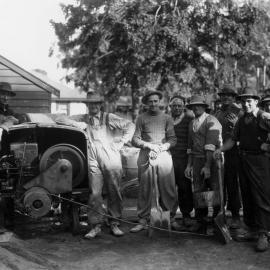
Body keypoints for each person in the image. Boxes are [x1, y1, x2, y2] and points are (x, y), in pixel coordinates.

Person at [56, 91, 135, 238]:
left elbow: (130, 125)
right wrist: (76, 124)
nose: (93, 106)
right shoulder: (83, 118)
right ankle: (95, 225)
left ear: (100, 105)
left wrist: (122, 142)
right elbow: (59, 119)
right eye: (90, 103)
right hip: (92, 157)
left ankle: (114, 223)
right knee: (95, 192)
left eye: (96, 103)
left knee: (114, 190)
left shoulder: (108, 117)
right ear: (87, 105)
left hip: (110, 156)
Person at [214, 87, 270, 252]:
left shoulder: (264, 116)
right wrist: (220, 150)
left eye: (249, 101)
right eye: (243, 101)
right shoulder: (242, 119)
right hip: (243, 159)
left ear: (256, 101)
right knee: (247, 195)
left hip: (260, 161)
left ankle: (264, 233)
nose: (245, 104)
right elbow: (232, 139)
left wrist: (268, 146)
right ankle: (252, 229)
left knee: (261, 197)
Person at [130, 90, 177, 232]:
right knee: (144, 188)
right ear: (146, 103)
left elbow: (173, 139)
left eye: (156, 101)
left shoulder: (167, 118)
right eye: (150, 101)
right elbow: (134, 139)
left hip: (163, 154)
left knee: (168, 187)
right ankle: (143, 219)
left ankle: (170, 217)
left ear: (160, 102)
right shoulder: (141, 118)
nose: (153, 104)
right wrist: (148, 145)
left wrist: (163, 147)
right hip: (146, 154)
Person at [185, 95, 222, 233]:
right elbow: (190, 147)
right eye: (193, 105)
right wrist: (189, 165)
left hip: (212, 160)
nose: (196, 107)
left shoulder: (212, 121)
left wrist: (207, 166)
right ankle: (200, 221)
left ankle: (216, 220)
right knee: (198, 190)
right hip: (197, 159)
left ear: (205, 107)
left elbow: (210, 146)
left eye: (199, 105)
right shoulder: (191, 123)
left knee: (215, 189)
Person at [214, 84, 242, 229]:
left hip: (233, 153)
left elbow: (244, 132)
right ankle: (221, 213)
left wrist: (236, 122)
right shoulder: (217, 112)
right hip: (218, 152)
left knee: (232, 184)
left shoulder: (239, 112)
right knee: (219, 184)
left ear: (234, 97)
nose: (225, 97)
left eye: (229, 95)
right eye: (223, 95)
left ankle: (236, 216)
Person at [169, 95, 194, 228]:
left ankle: (186, 215)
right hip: (168, 159)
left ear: (184, 106)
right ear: (170, 107)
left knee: (184, 187)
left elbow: (192, 140)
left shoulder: (189, 119)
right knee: (168, 187)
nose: (177, 108)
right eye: (174, 105)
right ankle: (169, 215)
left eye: (179, 105)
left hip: (184, 159)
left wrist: (190, 164)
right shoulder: (166, 119)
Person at [0, 82, 18, 233]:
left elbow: (16, 121)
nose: (5, 97)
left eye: (8, 95)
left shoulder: (10, 111)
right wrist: (6, 121)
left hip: (6, 153)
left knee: (8, 187)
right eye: (2, 93)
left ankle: (9, 222)